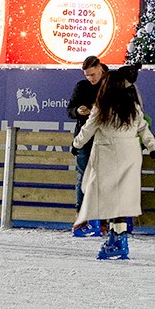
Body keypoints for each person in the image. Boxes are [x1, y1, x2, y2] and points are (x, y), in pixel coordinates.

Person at [72, 64, 155, 260]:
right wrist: (154, 149)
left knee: (109, 199)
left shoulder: (102, 107)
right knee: (120, 199)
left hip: (108, 155)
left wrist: (76, 143)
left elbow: (87, 130)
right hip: (130, 155)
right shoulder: (133, 107)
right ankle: (117, 237)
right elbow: (143, 130)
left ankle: (117, 240)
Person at [67, 54, 108, 237]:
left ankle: (104, 220)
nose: (90, 79)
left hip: (106, 138)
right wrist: (78, 111)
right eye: (87, 75)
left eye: (92, 74)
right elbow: (70, 110)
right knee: (83, 176)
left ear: (100, 68)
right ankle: (81, 217)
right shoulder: (81, 87)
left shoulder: (111, 84)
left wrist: (97, 112)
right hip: (85, 137)